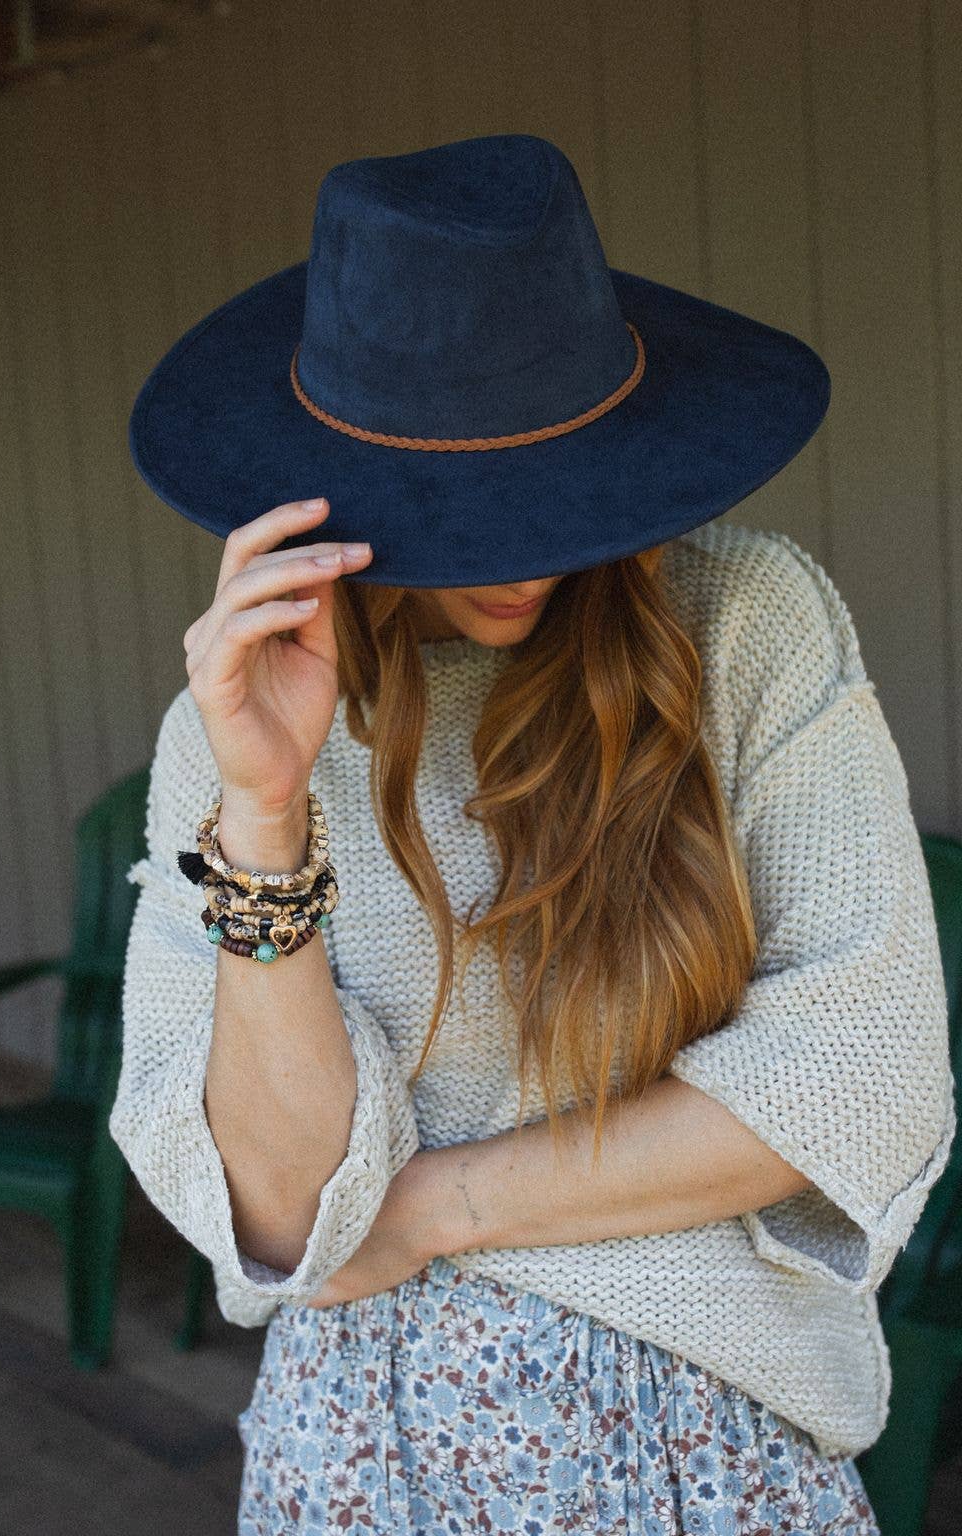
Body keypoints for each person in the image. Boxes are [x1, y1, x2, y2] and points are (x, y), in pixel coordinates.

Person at [110, 134, 955, 1533]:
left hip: (707, 1442)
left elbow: (856, 1079)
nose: (518, 562)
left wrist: (439, 1209)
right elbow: (277, 1206)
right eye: (462, 508)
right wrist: (264, 813)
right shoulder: (232, 724)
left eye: (551, 487)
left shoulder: (743, 621)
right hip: (362, 1458)